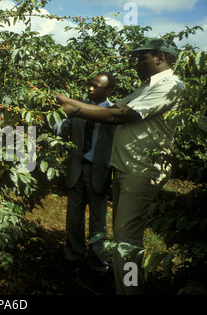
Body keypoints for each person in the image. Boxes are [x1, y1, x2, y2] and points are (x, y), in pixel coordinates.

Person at [55, 38, 185, 294]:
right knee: (123, 237)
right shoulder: (146, 86)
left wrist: (75, 110)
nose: (137, 63)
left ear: (160, 57)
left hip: (142, 170)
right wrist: (66, 101)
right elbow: (113, 107)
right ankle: (123, 286)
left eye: (142, 57)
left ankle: (129, 289)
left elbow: (121, 116)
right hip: (128, 168)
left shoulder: (170, 86)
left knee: (127, 241)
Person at [54, 72, 117, 281]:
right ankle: (73, 255)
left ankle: (98, 264)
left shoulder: (115, 112)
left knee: (99, 220)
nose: (90, 89)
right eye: (90, 84)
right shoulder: (77, 108)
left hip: (99, 171)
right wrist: (55, 117)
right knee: (74, 215)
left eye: (96, 86)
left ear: (108, 90)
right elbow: (60, 131)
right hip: (77, 169)